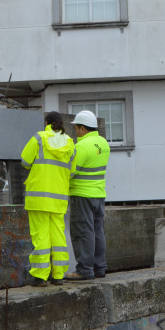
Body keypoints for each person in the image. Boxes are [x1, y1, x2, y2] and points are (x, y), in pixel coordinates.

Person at [20, 111, 75, 287]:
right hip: (59, 197)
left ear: (47, 123)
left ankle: (41, 277)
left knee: (40, 236)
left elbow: (25, 161)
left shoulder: (39, 138)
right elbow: (72, 171)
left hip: (39, 197)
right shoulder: (70, 143)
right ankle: (58, 275)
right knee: (58, 236)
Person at [65, 110, 111, 281]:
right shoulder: (103, 143)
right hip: (98, 194)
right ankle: (100, 267)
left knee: (83, 232)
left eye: (76, 128)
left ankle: (84, 269)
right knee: (97, 231)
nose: (75, 131)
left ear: (83, 128)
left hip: (82, 194)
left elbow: (69, 172)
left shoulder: (81, 147)